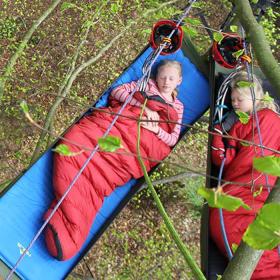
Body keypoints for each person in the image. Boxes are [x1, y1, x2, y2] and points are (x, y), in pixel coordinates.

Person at [44, 59, 184, 261]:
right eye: (162, 76)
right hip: (118, 125)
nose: (166, 81)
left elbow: (171, 140)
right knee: (75, 141)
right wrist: (144, 107)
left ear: (178, 81)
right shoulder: (146, 85)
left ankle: (69, 230)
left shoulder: (177, 108)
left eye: (171, 78)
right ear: (156, 76)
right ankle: (66, 228)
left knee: (98, 180)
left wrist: (156, 129)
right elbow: (117, 92)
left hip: (133, 151)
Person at [210, 71, 280, 279]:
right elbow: (224, 161)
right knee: (222, 218)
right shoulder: (237, 126)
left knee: (225, 217)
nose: (235, 104)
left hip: (260, 184)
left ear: (255, 96)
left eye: (240, 99)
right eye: (232, 100)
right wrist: (217, 136)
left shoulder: (270, 118)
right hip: (241, 184)